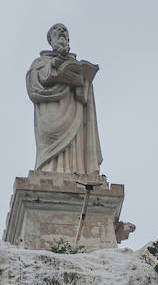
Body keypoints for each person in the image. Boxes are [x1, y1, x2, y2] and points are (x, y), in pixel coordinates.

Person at [27, 23, 103, 174]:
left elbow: (84, 95)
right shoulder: (41, 62)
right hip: (50, 107)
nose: (61, 31)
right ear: (50, 39)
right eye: (56, 30)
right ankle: (48, 168)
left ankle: (76, 169)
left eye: (64, 31)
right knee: (50, 139)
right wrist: (53, 66)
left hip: (73, 107)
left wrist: (84, 79)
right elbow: (34, 83)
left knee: (75, 143)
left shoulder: (74, 63)